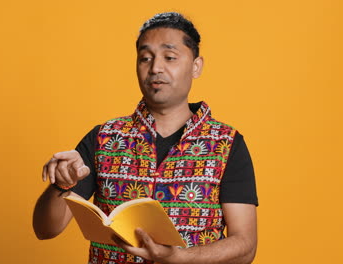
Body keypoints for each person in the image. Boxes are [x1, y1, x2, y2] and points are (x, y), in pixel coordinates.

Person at [33, 12, 258, 264]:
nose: (155, 68)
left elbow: (245, 247)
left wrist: (180, 258)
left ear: (196, 66)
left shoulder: (226, 144)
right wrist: (59, 185)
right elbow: (46, 230)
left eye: (169, 57)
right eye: (145, 58)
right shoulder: (103, 138)